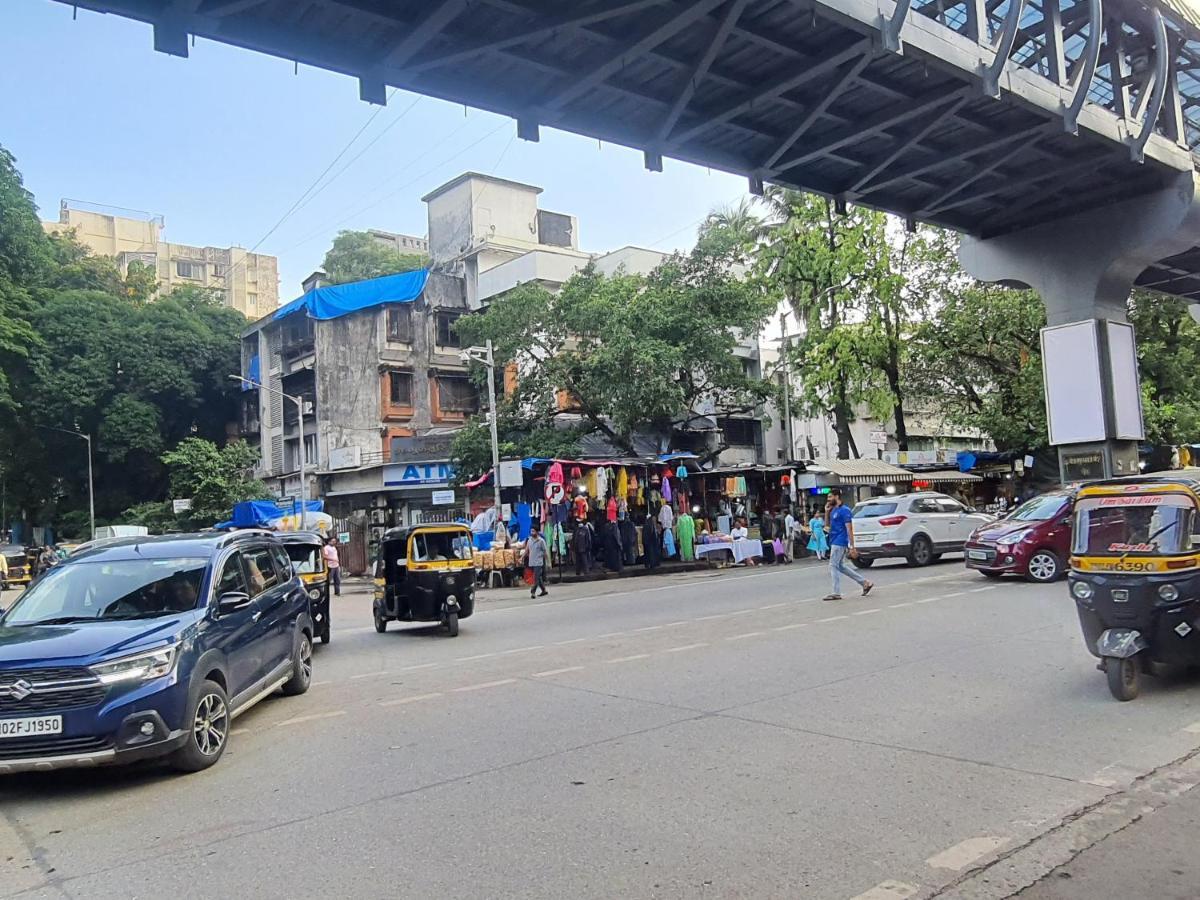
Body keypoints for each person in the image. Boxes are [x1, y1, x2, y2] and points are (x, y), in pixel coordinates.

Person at [824, 489, 873, 601]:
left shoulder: (845, 510)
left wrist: (852, 546)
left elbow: (849, 529)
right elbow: (827, 526)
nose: (828, 499)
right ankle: (865, 583)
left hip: (840, 541)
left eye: (830, 497)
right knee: (840, 566)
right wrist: (826, 512)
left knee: (833, 565)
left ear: (837, 497)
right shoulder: (833, 510)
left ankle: (836, 592)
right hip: (834, 540)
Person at [525, 524, 550, 598]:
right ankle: (544, 590)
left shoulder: (541, 541)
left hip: (539, 562)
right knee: (538, 577)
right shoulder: (529, 540)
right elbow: (527, 550)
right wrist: (522, 557)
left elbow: (545, 552)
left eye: (533, 531)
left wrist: (548, 562)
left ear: (537, 532)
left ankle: (533, 592)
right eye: (531, 531)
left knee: (535, 578)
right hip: (532, 561)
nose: (532, 533)